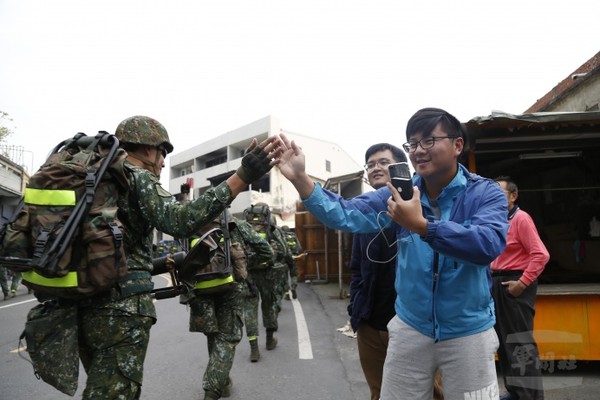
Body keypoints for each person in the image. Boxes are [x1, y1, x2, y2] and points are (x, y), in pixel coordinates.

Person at [275, 107, 508, 400]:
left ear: (457, 145)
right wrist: (300, 179)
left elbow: (487, 244)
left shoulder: (485, 193)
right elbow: (346, 213)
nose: (418, 151)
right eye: (412, 144)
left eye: (428, 141)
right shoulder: (398, 192)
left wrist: (423, 226)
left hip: (469, 331)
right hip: (411, 327)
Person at [41, 115, 281, 399]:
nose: (164, 162)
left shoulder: (94, 181)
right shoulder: (135, 176)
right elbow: (180, 219)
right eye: (163, 153)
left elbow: (108, 253)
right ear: (147, 149)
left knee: (99, 385)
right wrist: (242, 176)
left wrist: (156, 265)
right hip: (120, 313)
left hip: (78, 302)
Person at [183, 211, 273, 400]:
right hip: (229, 287)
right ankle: (213, 390)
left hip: (198, 288)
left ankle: (222, 382)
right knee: (227, 337)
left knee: (213, 334)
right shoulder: (236, 224)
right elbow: (266, 250)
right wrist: (243, 262)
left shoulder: (191, 222)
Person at [491, 176, 549, 400]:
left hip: (514, 282)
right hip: (496, 282)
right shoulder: (495, 220)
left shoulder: (521, 218)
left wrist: (522, 283)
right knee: (504, 343)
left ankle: (529, 396)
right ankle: (516, 392)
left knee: (519, 343)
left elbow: (541, 255)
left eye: (500, 194)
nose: (494, 198)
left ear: (513, 196)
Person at [242, 203, 290, 361]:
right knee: (269, 306)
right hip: (268, 275)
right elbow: (283, 250)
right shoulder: (272, 230)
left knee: (250, 311)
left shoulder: (245, 228)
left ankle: (254, 349)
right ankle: (270, 340)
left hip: (249, 276)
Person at [281, 225, 303, 300]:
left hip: (285, 259)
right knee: (293, 275)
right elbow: (299, 247)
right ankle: (293, 287)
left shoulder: (281, 236)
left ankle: (287, 293)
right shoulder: (293, 236)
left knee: (284, 276)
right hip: (294, 258)